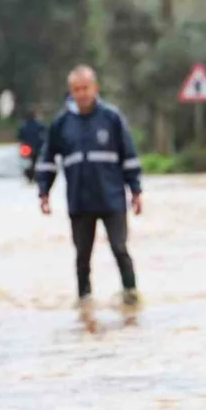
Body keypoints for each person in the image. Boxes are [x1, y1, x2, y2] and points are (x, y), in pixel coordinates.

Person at [36, 65, 143, 307]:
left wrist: (136, 191)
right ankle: (84, 302)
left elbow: (129, 156)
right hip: (80, 201)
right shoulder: (61, 124)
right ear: (70, 91)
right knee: (82, 257)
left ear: (95, 88)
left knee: (119, 248)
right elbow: (47, 159)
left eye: (85, 88)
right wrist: (44, 192)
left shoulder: (111, 118)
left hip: (111, 198)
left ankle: (131, 294)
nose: (82, 93)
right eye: (76, 89)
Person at [16, 108, 45, 183]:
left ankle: (29, 174)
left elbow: (19, 136)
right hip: (37, 147)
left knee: (26, 162)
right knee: (35, 162)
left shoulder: (24, 125)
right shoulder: (39, 124)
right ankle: (34, 174)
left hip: (26, 147)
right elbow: (44, 134)